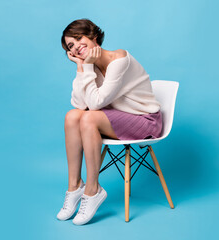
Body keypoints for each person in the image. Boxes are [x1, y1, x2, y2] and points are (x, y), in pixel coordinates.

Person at [57, 18, 163, 225]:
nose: (77, 47)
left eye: (79, 39)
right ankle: (74, 186)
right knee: (72, 116)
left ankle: (93, 189)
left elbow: (94, 104)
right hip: (119, 120)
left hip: (147, 122)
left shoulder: (119, 59)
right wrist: (81, 67)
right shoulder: (91, 66)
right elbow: (79, 103)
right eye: (71, 46)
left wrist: (86, 68)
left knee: (88, 118)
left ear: (93, 36)